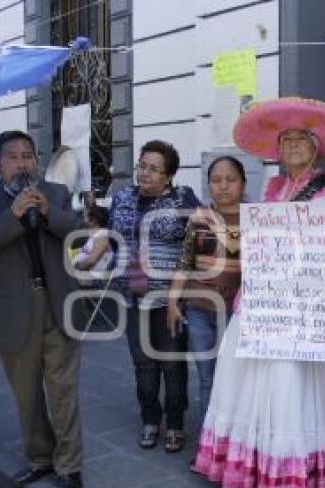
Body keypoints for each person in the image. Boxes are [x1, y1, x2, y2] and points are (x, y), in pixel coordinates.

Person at [191, 97, 325, 488]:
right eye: (286, 140)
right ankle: (261, 463)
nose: (292, 146)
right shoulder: (273, 189)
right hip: (269, 303)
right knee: (265, 377)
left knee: (298, 380)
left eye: (302, 139)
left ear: (317, 148)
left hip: (310, 307)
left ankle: (310, 466)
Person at [0, 130, 84, 488]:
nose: (22, 163)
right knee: (26, 393)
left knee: (63, 391)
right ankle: (40, 457)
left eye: (28, 156)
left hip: (57, 302)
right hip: (13, 310)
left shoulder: (55, 193)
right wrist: (12, 215)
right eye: (13, 157)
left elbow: (77, 234)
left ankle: (69, 466)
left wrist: (48, 214)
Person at [109, 140, 200, 452]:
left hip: (169, 301)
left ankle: (175, 424)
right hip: (133, 298)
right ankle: (151, 419)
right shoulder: (122, 197)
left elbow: (199, 239)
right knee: (143, 364)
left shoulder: (182, 198)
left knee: (172, 364)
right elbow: (112, 239)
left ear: (169, 175)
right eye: (142, 165)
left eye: (154, 168)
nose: (144, 173)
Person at [167, 156, 244, 430]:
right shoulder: (199, 217)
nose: (223, 186)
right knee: (207, 377)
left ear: (243, 183)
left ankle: (232, 439)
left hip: (234, 313)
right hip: (199, 310)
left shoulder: (255, 219)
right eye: (216, 180)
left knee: (232, 377)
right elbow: (184, 261)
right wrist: (173, 301)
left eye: (231, 179)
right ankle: (208, 442)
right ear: (209, 185)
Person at [73, 205, 114, 279]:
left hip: (95, 283)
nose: (83, 220)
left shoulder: (101, 237)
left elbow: (91, 261)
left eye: (86, 217)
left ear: (94, 220)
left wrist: (75, 267)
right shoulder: (94, 237)